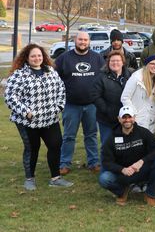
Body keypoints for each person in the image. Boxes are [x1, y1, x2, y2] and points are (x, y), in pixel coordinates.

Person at [4, 43, 73, 190]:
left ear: (43, 57)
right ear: (27, 58)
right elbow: (10, 97)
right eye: (33, 56)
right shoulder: (19, 75)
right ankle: (30, 178)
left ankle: (55, 178)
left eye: (39, 55)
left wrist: (59, 107)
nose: (37, 58)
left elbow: (61, 89)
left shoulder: (51, 72)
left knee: (55, 145)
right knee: (32, 148)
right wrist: (26, 112)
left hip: (50, 118)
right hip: (28, 121)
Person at [56, 31, 104, 175]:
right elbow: (54, 78)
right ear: (75, 40)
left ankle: (94, 162)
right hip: (71, 105)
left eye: (85, 40)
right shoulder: (64, 58)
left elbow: (104, 78)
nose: (83, 42)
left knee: (91, 135)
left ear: (89, 42)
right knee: (69, 136)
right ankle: (64, 163)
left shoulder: (97, 58)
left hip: (91, 105)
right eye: (80, 39)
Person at [98, 105, 155, 207]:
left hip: (141, 170)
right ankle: (122, 191)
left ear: (134, 118)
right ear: (119, 119)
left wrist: (142, 161)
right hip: (123, 174)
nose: (127, 120)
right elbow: (106, 162)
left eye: (130, 117)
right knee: (104, 178)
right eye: (124, 117)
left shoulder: (143, 132)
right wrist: (122, 169)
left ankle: (150, 194)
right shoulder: (111, 138)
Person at [94, 51, 132, 153]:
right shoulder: (101, 77)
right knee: (107, 145)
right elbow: (96, 96)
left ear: (123, 62)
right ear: (108, 62)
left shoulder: (130, 75)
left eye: (118, 60)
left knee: (125, 145)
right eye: (112, 61)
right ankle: (106, 168)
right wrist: (107, 110)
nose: (115, 63)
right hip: (107, 119)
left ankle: (122, 168)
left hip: (126, 118)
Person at [121, 55, 155, 137]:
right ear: (147, 65)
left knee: (149, 144)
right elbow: (125, 97)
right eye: (152, 64)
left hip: (151, 119)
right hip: (138, 119)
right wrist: (133, 113)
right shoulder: (136, 78)